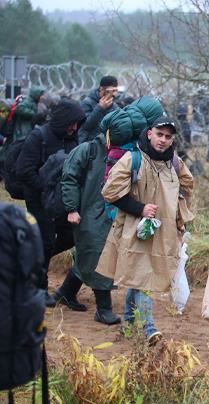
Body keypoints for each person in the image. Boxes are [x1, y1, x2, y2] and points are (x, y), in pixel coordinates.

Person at [60, 98, 162, 326]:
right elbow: (69, 179)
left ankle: (65, 293)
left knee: (91, 254)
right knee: (98, 252)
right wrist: (71, 209)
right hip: (92, 212)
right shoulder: (91, 151)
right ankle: (103, 309)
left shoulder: (126, 153)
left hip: (109, 211)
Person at [96, 117, 194, 345]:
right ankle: (149, 328)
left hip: (164, 232)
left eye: (168, 137)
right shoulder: (133, 159)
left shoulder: (176, 164)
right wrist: (139, 208)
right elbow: (109, 192)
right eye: (160, 134)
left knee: (138, 277)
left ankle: (129, 325)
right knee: (143, 277)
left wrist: (180, 219)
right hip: (135, 230)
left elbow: (188, 189)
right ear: (150, 133)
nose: (163, 140)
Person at [16, 98, 85, 309]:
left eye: (77, 123)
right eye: (71, 122)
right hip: (38, 199)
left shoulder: (73, 138)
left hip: (62, 200)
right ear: (62, 120)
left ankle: (30, 258)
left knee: (70, 237)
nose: (74, 127)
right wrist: (45, 188)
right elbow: (24, 170)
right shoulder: (39, 136)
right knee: (45, 240)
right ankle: (39, 289)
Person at [78, 75, 119, 143]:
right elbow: (84, 126)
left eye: (115, 91)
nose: (114, 94)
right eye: (110, 91)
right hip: (89, 144)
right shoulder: (87, 103)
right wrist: (100, 108)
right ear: (101, 89)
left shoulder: (114, 106)